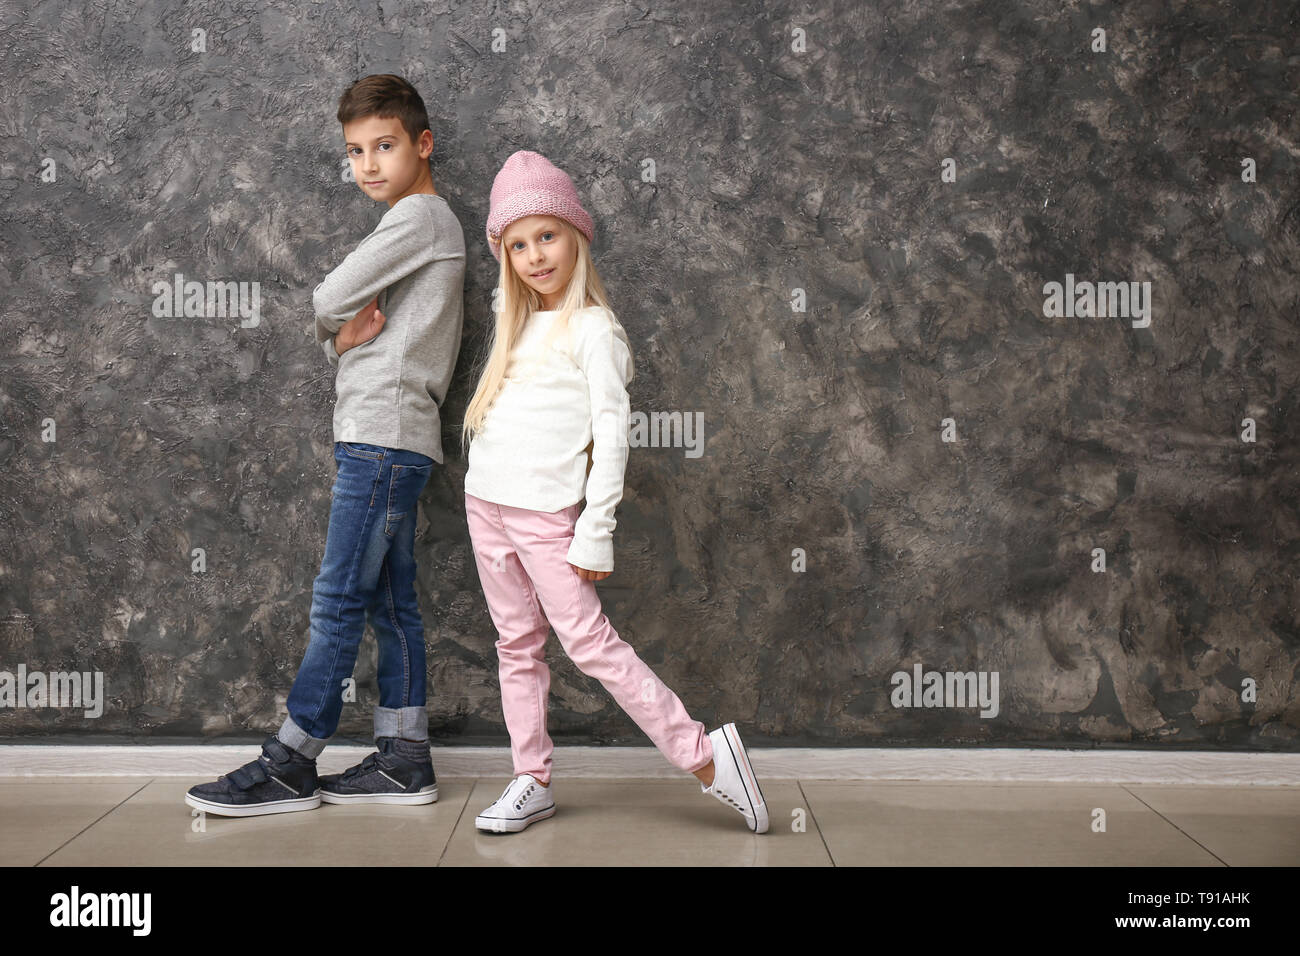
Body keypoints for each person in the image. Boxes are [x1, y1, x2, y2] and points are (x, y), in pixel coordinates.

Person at [460, 150, 769, 834]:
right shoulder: (515, 323)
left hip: (547, 518)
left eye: (548, 236)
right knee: (517, 646)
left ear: (577, 236)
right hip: (486, 506)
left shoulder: (594, 331)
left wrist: (594, 530)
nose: (535, 256)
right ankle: (530, 778)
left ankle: (707, 758)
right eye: (517, 244)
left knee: (593, 645)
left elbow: (613, 438)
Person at [184, 75, 466, 817]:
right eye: (354, 151)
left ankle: (290, 760)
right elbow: (345, 323)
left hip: (381, 438)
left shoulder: (421, 218)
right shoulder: (418, 223)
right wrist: (342, 342)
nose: (367, 164)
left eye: (384, 145)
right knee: (390, 603)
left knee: (337, 598)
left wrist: (333, 336)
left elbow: (324, 298)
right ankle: (405, 756)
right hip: (396, 440)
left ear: (422, 145)